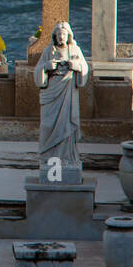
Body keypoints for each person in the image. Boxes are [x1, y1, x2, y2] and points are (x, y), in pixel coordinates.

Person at [33, 21, 88, 176]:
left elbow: (84, 68)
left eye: (64, 34)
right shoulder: (48, 50)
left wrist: (76, 65)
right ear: (55, 36)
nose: (61, 37)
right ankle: (49, 157)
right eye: (58, 35)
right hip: (52, 92)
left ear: (68, 36)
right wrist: (46, 67)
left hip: (68, 91)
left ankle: (67, 158)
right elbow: (38, 70)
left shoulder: (75, 49)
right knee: (48, 125)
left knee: (66, 127)